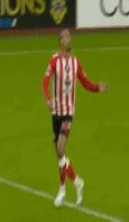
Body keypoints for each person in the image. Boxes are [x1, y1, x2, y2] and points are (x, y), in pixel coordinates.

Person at [42, 29, 107, 207]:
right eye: (66, 38)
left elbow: (85, 82)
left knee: (60, 148)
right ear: (60, 41)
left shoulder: (75, 62)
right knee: (59, 154)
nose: (69, 40)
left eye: (69, 37)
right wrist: (48, 99)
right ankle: (74, 183)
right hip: (55, 112)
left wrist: (97, 88)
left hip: (68, 112)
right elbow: (45, 83)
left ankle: (66, 188)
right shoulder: (54, 61)